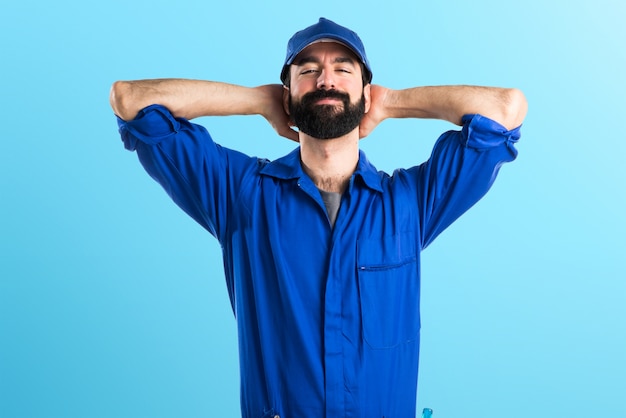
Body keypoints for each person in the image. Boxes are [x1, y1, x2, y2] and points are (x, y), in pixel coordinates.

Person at [110, 17, 527, 418]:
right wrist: (258, 101)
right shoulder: (241, 195)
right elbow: (131, 101)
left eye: (343, 69)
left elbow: (506, 110)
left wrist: (393, 102)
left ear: (366, 92)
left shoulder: (410, 203)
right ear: (287, 95)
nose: (325, 80)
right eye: (308, 70)